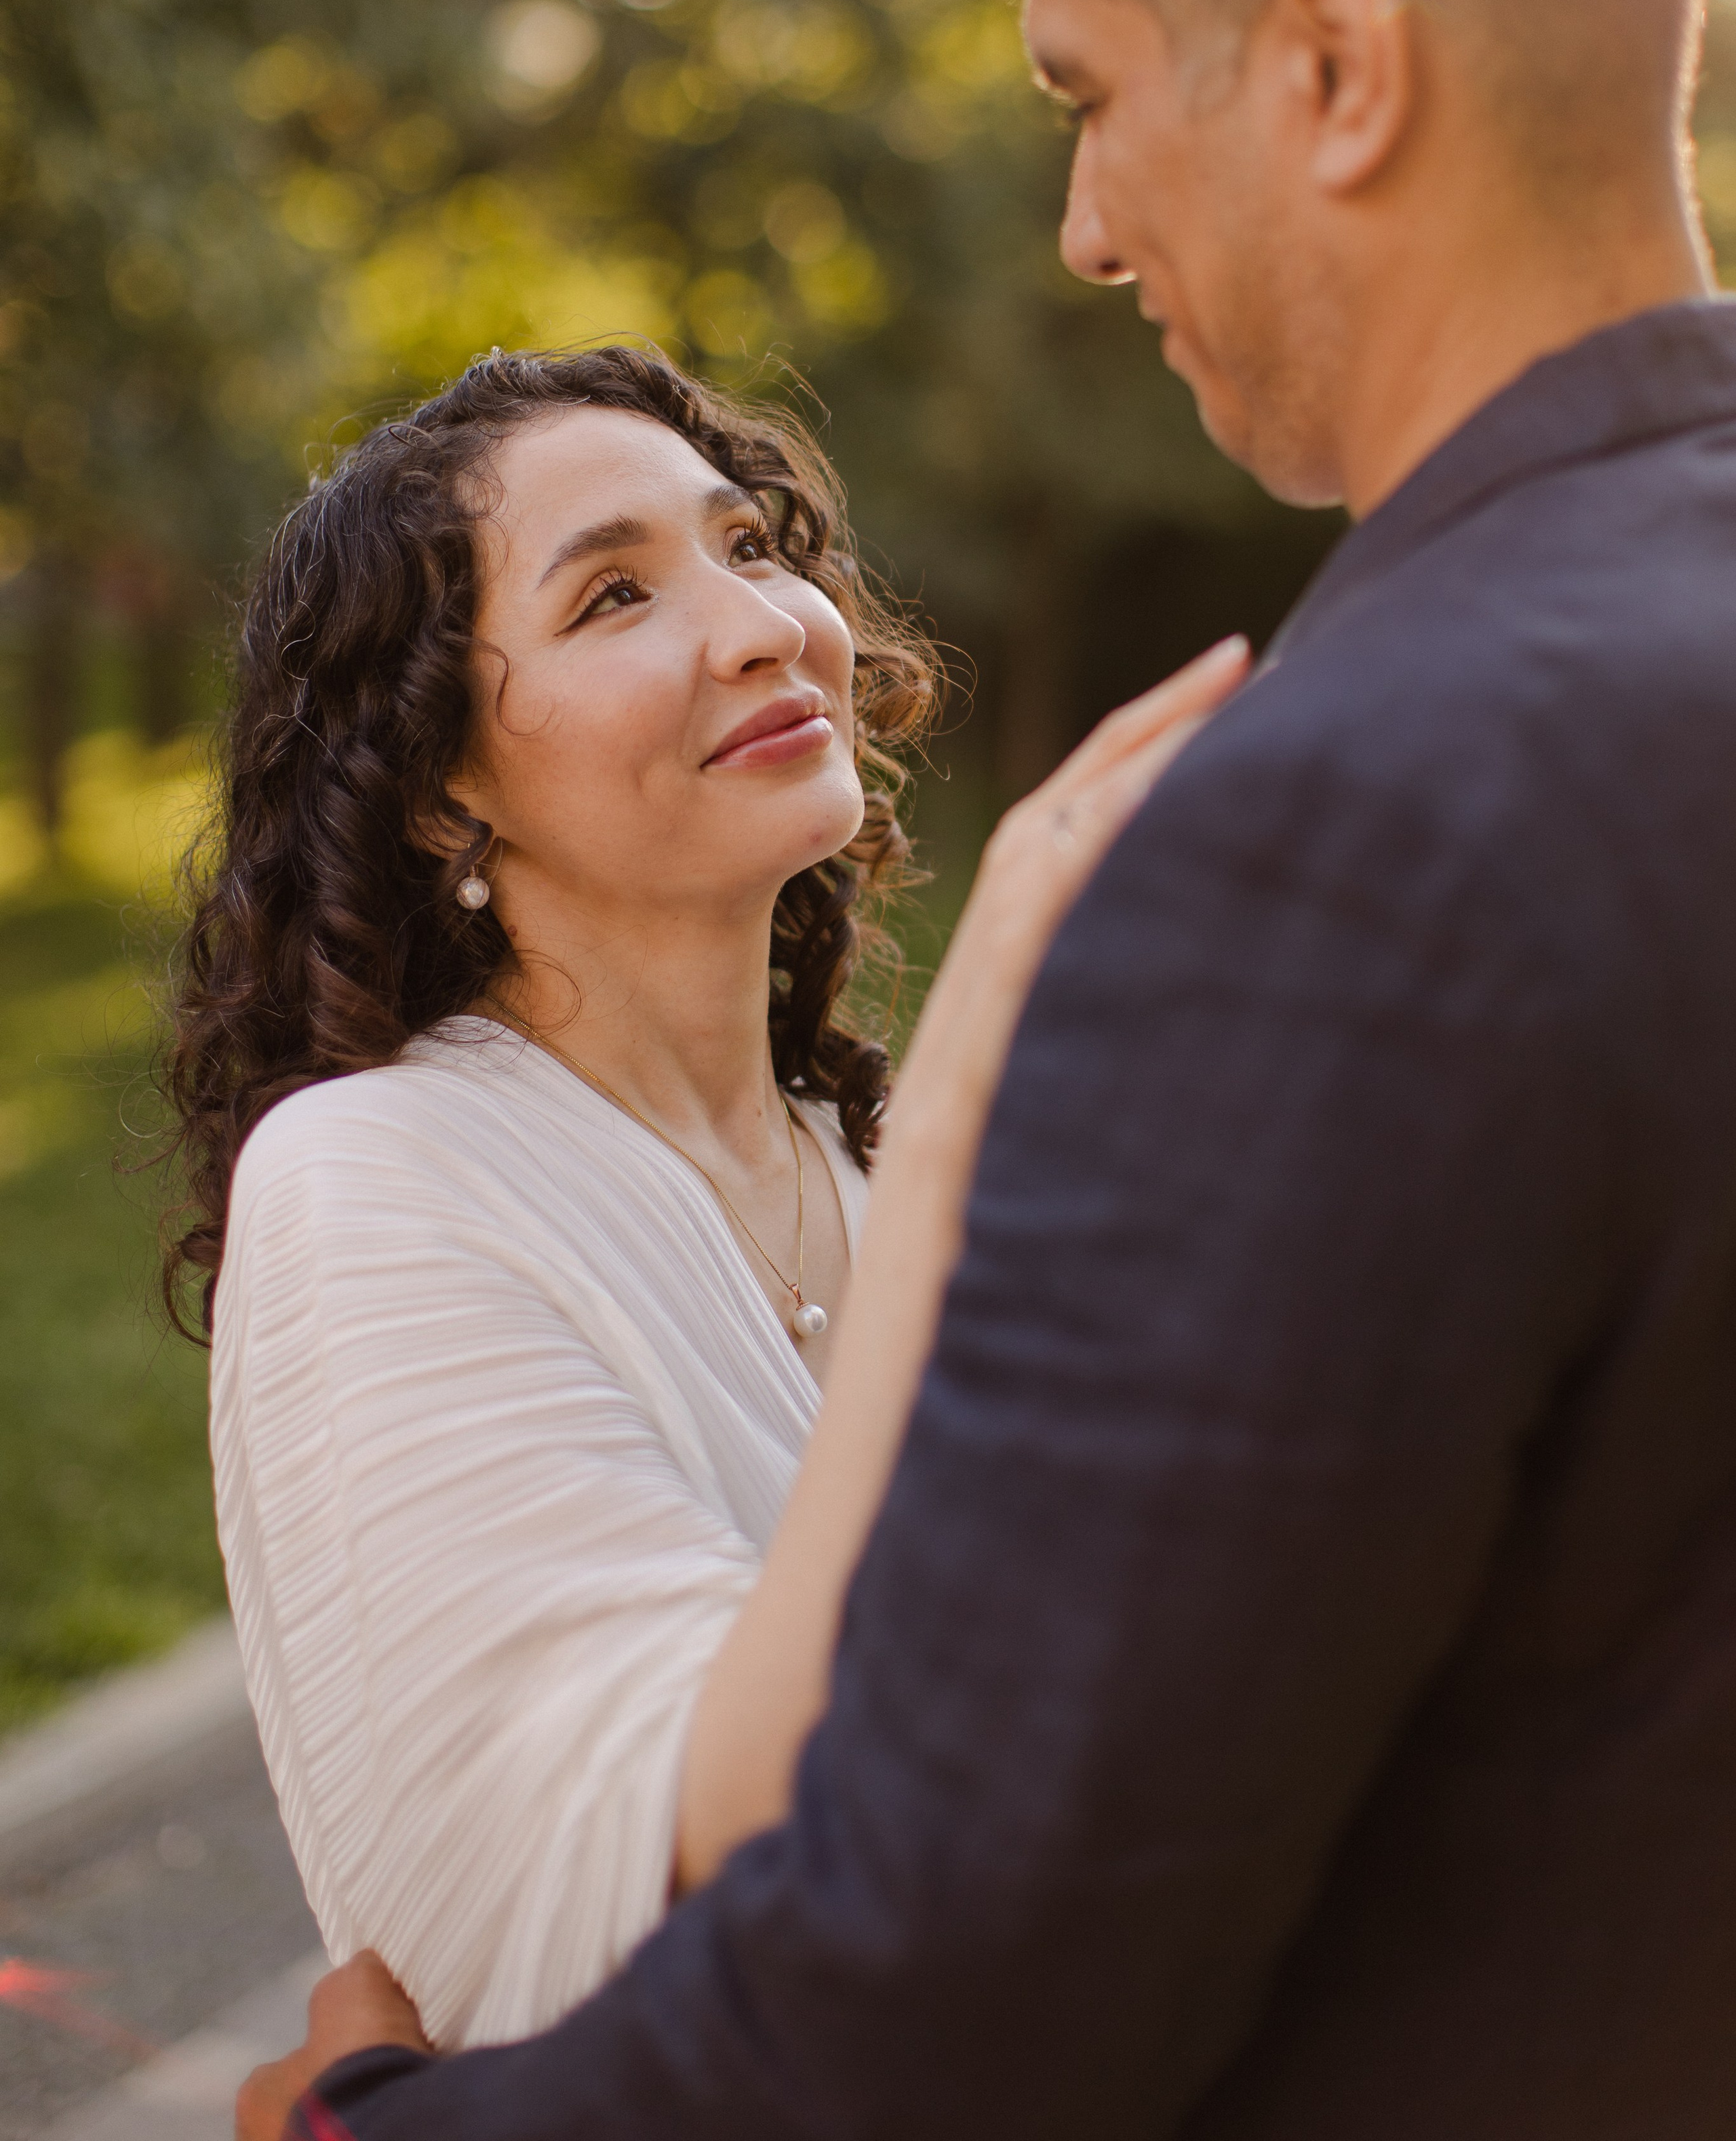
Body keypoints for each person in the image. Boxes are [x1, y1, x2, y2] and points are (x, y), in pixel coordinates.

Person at [247, 0, 1736, 2133]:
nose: (1077, 225)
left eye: (1081, 96)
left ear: (1331, 59)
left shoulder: (1332, 850)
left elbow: (960, 1985)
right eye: (613, 585)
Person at [175, 343, 1239, 2054]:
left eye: (748, 548)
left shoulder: (882, 1175)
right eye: (611, 597)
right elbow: (678, 1896)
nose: (761, 623)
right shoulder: (377, 1177)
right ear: (440, 774)